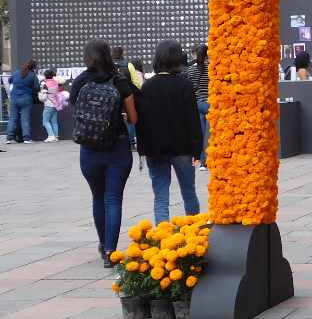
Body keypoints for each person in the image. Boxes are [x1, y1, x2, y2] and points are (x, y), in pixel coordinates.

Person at [71, 40, 138, 267]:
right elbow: (133, 118)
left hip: (89, 149)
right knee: (113, 198)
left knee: (98, 197)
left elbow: (76, 112)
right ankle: (111, 250)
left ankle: (102, 244)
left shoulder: (81, 81)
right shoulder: (119, 79)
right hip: (117, 148)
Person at [136, 40, 203, 224]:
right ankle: (195, 231)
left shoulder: (147, 87)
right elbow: (193, 121)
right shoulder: (185, 85)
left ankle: (162, 237)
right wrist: (197, 151)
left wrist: (143, 150)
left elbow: (142, 124)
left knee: (160, 197)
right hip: (183, 149)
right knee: (189, 193)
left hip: (155, 151)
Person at [185, 45, 210, 171]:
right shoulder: (211, 68)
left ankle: (200, 162)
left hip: (196, 104)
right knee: (208, 134)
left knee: (200, 133)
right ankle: (206, 161)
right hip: (209, 104)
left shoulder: (190, 70)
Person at [5, 59, 40, 144]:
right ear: (34, 67)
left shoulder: (16, 72)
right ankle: (26, 138)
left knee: (12, 118)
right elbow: (37, 88)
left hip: (14, 98)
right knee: (25, 119)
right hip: (26, 99)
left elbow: (10, 81)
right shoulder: (32, 75)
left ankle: (9, 138)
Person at [40, 69, 65, 142]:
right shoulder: (56, 82)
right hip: (55, 104)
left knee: (45, 121)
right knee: (54, 121)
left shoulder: (45, 84)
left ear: (45, 76)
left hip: (48, 104)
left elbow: (44, 96)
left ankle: (51, 136)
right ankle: (56, 136)